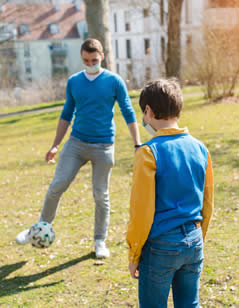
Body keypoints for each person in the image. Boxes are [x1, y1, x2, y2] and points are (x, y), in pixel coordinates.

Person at [16, 38, 141, 258]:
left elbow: (128, 112)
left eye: (94, 60)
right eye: (86, 60)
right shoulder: (74, 82)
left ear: (101, 57)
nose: (90, 63)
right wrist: (55, 145)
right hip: (76, 143)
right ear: (81, 58)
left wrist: (137, 144)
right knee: (57, 185)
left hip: (104, 146)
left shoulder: (114, 81)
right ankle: (37, 228)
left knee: (101, 195)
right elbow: (66, 114)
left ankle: (100, 241)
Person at [126, 79, 214, 308]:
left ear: (148, 111)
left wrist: (134, 254)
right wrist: (198, 238)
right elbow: (207, 202)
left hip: (160, 246)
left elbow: (141, 211)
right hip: (193, 240)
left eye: (143, 115)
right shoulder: (200, 148)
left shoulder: (148, 152)